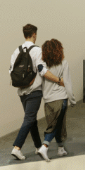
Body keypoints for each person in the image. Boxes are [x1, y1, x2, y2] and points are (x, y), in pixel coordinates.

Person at [9, 24, 64, 161]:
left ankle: (38, 146)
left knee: (31, 120)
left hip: (22, 92)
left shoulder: (16, 51)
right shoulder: (37, 51)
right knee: (29, 119)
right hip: (34, 91)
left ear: (24, 35)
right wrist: (58, 80)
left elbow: (11, 71)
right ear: (34, 34)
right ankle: (17, 147)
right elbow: (42, 70)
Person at [38, 39, 74, 161]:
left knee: (57, 124)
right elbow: (67, 83)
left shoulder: (42, 64)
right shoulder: (63, 63)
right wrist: (72, 99)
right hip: (60, 98)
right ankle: (45, 146)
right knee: (56, 124)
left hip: (48, 100)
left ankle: (61, 148)